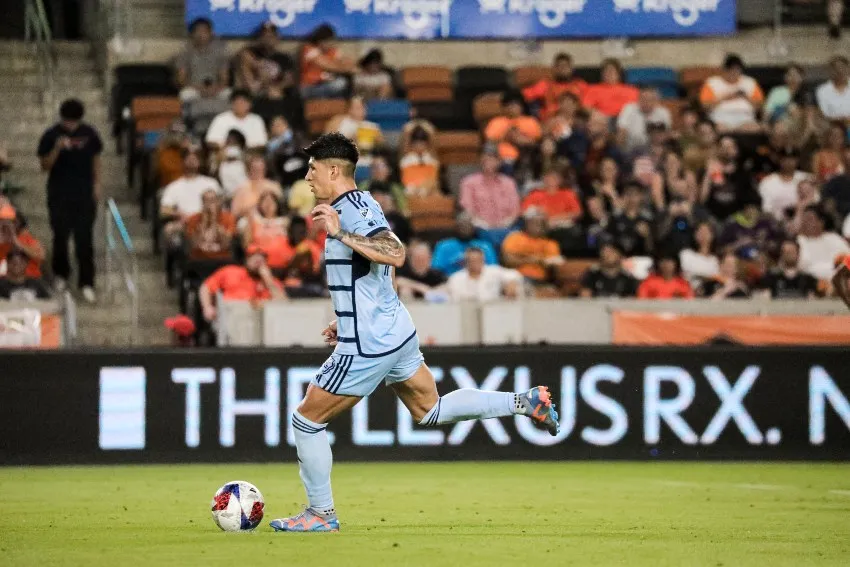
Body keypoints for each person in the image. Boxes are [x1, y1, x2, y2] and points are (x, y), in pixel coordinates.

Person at [269, 133, 560, 533]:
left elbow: (395, 253)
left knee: (306, 421)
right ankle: (522, 402)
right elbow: (374, 272)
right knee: (430, 410)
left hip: (369, 342)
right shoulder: (362, 203)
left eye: (313, 169)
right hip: (392, 330)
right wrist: (348, 315)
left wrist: (339, 234)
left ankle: (320, 514)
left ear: (333, 170)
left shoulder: (348, 214)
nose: (307, 177)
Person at [36, 98, 102, 302]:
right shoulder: (51, 135)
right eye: (67, 122)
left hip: (83, 193)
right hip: (59, 193)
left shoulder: (89, 133)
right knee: (60, 236)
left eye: (74, 122)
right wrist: (57, 148)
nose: (70, 126)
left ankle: (87, 282)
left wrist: (97, 184)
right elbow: (44, 165)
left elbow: (96, 158)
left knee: (84, 239)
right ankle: (61, 275)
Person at [199, 245, 286, 322]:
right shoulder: (230, 271)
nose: (257, 259)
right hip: (231, 316)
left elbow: (284, 304)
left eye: (261, 257)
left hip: (259, 320)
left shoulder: (271, 281)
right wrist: (207, 307)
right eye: (253, 256)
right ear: (246, 259)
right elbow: (206, 287)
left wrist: (268, 280)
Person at [458, 144, 521, 246]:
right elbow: (468, 210)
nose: (488, 162)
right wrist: (485, 225)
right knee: (490, 237)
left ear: (499, 162)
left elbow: (515, 211)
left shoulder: (509, 183)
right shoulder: (469, 182)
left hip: (506, 227)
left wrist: (504, 224)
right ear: (480, 161)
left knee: (514, 237)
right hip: (480, 227)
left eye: (492, 159)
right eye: (485, 159)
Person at [159, 149, 222, 240]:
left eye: (194, 159)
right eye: (189, 159)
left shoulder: (211, 183)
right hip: (186, 222)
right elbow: (164, 209)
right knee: (169, 228)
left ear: (200, 162)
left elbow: (221, 203)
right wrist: (180, 214)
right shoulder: (174, 186)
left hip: (210, 222)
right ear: (183, 162)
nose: (192, 161)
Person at [699, 54, 764, 133]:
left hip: (745, 118)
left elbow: (759, 106)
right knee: (720, 129)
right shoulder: (711, 83)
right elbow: (705, 107)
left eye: (737, 70)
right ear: (725, 70)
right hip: (720, 118)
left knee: (754, 128)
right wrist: (725, 98)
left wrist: (745, 97)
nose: (734, 74)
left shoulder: (750, 82)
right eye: (731, 70)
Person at [501, 209, 565, 284]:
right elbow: (507, 260)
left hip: (542, 281)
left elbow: (554, 263)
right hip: (517, 278)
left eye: (542, 223)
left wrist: (543, 262)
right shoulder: (515, 237)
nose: (538, 225)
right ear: (527, 223)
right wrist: (532, 260)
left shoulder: (551, 244)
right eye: (534, 222)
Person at [173, 17, 230, 102]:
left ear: (211, 33)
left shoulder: (220, 52)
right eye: (198, 31)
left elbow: (224, 78)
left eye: (204, 31)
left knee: (228, 94)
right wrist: (198, 88)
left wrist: (215, 89)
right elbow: (181, 79)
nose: (201, 35)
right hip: (194, 89)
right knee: (185, 95)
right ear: (192, 34)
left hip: (215, 89)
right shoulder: (184, 53)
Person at [483, 91, 542, 169]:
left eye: (514, 104)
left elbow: (537, 141)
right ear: (503, 107)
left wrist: (521, 140)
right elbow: (490, 140)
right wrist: (507, 136)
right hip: (501, 158)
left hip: (525, 157)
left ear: (521, 106)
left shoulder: (530, 121)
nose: (511, 108)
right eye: (508, 105)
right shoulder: (497, 122)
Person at [521, 52, 588, 121]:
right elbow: (524, 95)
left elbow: (587, 105)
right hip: (552, 119)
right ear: (554, 68)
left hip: (576, 119)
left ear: (571, 68)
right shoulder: (546, 84)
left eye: (565, 66)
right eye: (559, 66)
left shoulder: (580, 84)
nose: (562, 69)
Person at [446, 246, 523, 303]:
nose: (475, 263)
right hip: (464, 312)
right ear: (466, 261)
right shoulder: (456, 278)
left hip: (491, 310)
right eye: (472, 260)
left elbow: (513, 274)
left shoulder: (493, 271)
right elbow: (449, 297)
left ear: (483, 260)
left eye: (478, 260)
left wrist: (511, 283)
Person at [237, 21, 295, 96]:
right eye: (265, 36)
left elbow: (288, 80)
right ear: (260, 38)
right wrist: (261, 79)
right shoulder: (250, 55)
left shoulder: (284, 58)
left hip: (277, 94)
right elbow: (248, 83)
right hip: (256, 93)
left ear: (277, 38)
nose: (268, 40)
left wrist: (276, 88)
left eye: (271, 36)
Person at [431, 212, 499, 276]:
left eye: (468, 225)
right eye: (462, 225)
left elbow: (493, 270)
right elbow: (436, 270)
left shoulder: (485, 246)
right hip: (451, 281)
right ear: (456, 227)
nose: (465, 228)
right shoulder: (444, 246)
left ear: (473, 228)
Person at [299, 24, 355, 100]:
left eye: (331, 41)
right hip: (309, 87)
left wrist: (349, 66)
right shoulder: (309, 49)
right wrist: (346, 68)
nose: (329, 44)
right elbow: (327, 65)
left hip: (326, 85)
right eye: (327, 41)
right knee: (340, 83)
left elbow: (346, 62)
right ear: (320, 41)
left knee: (347, 84)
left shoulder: (332, 51)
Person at [797, 205, 850, 280]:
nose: (805, 223)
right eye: (804, 219)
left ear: (821, 222)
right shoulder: (798, 241)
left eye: (809, 219)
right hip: (809, 282)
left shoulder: (834, 238)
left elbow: (846, 260)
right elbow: (801, 267)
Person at [758, 148, 810, 221]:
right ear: (779, 160)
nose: (788, 162)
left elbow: (814, 202)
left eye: (792, 159)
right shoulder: (767, 182)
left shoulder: (807, 178)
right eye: (785, 159)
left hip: (803, 222)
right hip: (775, 222)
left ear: (797, 160)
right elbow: (766, 209)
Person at [617, 86, 673, 153]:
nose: (646, 102)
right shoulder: (629, 109)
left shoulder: (663, 112)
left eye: (650, 100)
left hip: (655, 152)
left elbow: (667, 134)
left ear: (656, 101)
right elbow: (622, 131)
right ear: (638, 99)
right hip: (631, 150)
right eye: (643, 99)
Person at [184, 189, 235, 260]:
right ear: (202, 203)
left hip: (222, 258)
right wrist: (204, 222)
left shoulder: (228, 218)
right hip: (198, 258)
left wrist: (214, 221)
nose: (209, 204)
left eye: (212, 200)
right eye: (206, 200)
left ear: (218, 202)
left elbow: (226, 244)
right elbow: (194, 245)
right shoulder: (193, 219)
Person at [231, 154, 284, 219]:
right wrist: (251, 209)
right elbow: (235, 212)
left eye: (261, 168)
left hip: (271, 220)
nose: (258, 171)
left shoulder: (273, 186)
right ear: (248, 170)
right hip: (248, 221)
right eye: (255, 169)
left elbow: (281, 209)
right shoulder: (241, 189)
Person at [0, 205, 45, 279]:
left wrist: (18, 243)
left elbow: (41, 257)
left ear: (19, 223)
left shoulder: (27, 238)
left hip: (30, 279)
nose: (8, 224)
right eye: (3, 221)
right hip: (6, 281)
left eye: (12, 221)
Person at [399, 126, 440, 197]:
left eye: (422, 144)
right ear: (412, 145)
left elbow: (433, 179)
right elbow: (406, 180)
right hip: (411, 190)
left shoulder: (433, 162)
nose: (419, 146)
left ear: (427, 145)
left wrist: (425, 187)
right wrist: (418, 187)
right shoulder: (405, 162)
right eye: (417, 144)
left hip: (429, 190)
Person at [816, 55, 850, 124]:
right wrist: (842, 120)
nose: (840, 71)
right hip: (833, 125)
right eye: (836, 69)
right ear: (831, 71)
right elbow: (824, 114)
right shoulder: (822, 90)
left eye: (843, 68)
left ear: (848, 69)